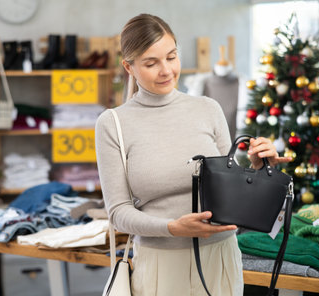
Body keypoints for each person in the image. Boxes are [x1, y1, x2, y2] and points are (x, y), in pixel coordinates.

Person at [95, 13, 292, 296]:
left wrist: (259, 170)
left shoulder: (208, 109)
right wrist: (172, 228)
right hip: (160, 265)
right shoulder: (113, 123)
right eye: (151, 63)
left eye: (172, 57)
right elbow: (118, 212)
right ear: (129, 67)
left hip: (221, 258)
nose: (166, 70)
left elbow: (230, 189)